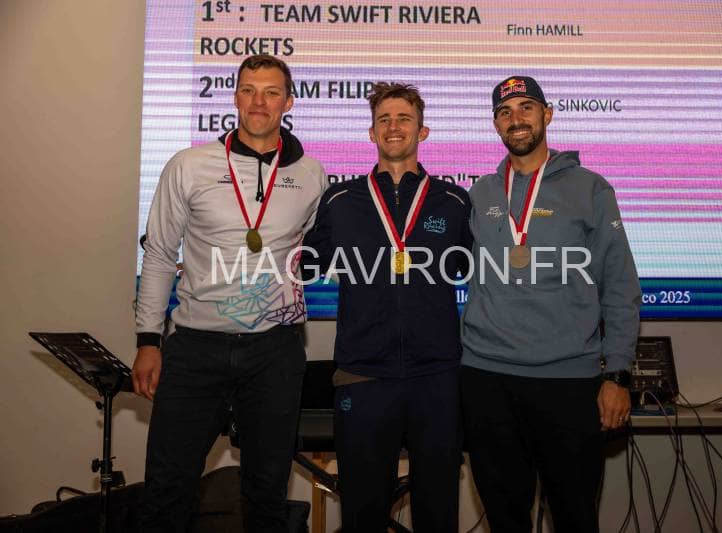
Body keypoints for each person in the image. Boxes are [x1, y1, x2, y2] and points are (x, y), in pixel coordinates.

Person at [132, 54, 327, 532]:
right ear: (235, 97)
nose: (259, 102)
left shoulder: (312, 174)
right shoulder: (189, 165)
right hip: (195, 349)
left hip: (274, 353)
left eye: (271, 92)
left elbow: (313, 253)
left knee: (267, 495)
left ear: (289, 102)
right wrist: (148, 340)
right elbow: (159, 253)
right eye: (248, 90)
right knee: (166, 489)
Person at [460, 76, 641, 532]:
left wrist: (618, 374)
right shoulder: (481, 192)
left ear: (547, 114)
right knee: (504, 520)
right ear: (496, 125)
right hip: (487, 380)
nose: (516, 119)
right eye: (505, 112)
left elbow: (620, 285)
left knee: (576, 517)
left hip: (569, 381)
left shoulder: (591, 188)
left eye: (526, 107)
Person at [301, 83, 472, 532]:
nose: (394, 127)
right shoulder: (340, 201)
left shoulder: (454, 201)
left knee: (439, 511)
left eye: (404, 119)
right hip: (363, 374)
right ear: (372, 133)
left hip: (437, 376)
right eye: (384, 120)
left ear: (423, 131)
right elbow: (303, 265)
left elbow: (481, 274)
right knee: (362, 511)